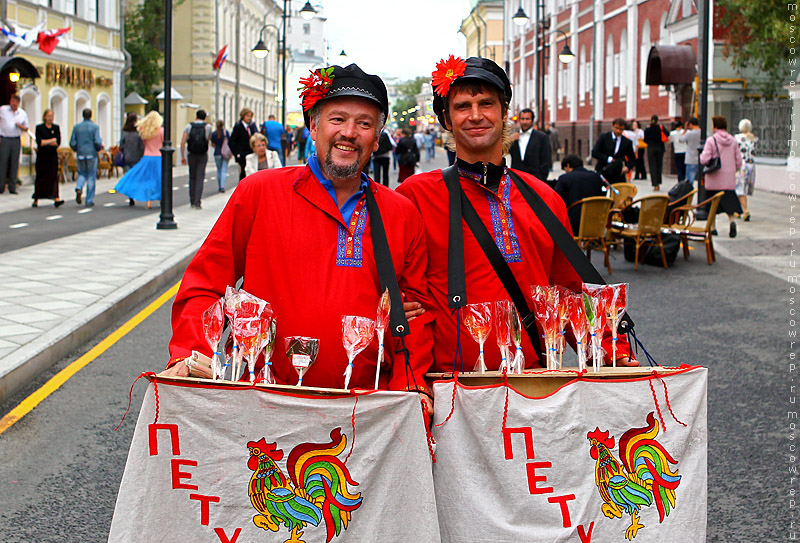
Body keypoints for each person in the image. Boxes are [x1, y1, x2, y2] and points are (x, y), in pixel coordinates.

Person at [163, 63, 435, 408]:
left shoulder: (401, 213)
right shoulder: (259, 192)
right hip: (261, 399)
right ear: (314, 126)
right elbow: (204, 284)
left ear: (377, 138)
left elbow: (415, 316)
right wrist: (190, 355)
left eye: (364, 124)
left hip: (366, 407)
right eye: (337, 119)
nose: (349, 132)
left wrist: (410, 386)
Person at [396, 56, 633, 372]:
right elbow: (399, 295)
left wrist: (613, 354)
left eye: (486, 103)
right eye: (463, 106)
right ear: (446, 120)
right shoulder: (415, 195)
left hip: (533, 381)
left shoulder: (544, 197)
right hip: (450, 383)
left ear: (504, 112)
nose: (476, 115)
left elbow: (568, 290)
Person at [699, 116, 743, 238]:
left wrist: (701, 158)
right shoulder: (733, 140)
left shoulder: (711, 140)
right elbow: (738, 160)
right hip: (728, 178)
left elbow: (705, 158)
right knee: (729, 201)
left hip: (714, 178)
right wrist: (734, 169)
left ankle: (713, 228)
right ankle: (732, 221)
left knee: (712, 204)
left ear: (715, 126)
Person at [113, 111, 163, 209]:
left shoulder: (145, 131)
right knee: (159, 180)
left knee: (146, 179)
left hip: (147, 156)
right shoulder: (161, 131)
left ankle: (147, 200)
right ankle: (161, 198)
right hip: (158, 157)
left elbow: (143, 145)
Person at [553, 154, 607, 234]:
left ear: (568, 165)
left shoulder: (565, 178)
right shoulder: (596, 177)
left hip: (573, 224)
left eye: (565, 169)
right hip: (595, 222)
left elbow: (556, 199)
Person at [69, 108, 102, 207]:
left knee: (82, 173)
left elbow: (72, 142)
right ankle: (89, 200)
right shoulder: (95, 127)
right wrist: (98, 148)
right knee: (91, 176)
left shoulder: (77, 127)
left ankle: (79, 187)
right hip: (91, 153)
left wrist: (77, 148)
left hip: (80, 153)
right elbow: (97, 141)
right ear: (91, 116)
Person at [508, 108, 551, 181]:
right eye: (522, 119)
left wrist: (541, 178)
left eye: (527, 119)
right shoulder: (513, 137)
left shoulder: (542, 137)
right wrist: (509, 140)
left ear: (532, 120)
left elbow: (546, 159)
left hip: (535, 180)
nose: (525, 122)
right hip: (516, 180)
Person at [32, 109, 64, 208]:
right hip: (42, 157)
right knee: (41, 176)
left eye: (52, 116)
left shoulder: (56, 127)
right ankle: (36, 199)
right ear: (45, 117)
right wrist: (51, 140)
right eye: (49, 116)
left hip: (52, 156)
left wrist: (47, 141)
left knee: (53, 176)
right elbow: (40, 142)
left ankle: (56, 198)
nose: (51, 118)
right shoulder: (39, 128)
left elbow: (57, 142)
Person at [181, 109, 212, 209]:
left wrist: (182, 156)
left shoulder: (189, 126)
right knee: (200, 177)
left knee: (192, 177)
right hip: (202, 154)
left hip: (191, 154)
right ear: (205, 117)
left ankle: (192, 200)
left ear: (196, 116)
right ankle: (198, 201)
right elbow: (209, 139)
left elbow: (183, 141)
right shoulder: (208, 127)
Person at [591, 118, 636, 184]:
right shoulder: (604, 137)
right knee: (601, 192)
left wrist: (627, 167)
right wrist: (607, 159)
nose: (618, 131)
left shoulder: (627, 142)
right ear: (612, 127)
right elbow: (594, 152)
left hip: (618, 173)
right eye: (616, 128)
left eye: (621, 129)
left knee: (619, 192)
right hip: (603, 170)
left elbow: (632, 159)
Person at [0, 94, 29, 194]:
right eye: (13, 102)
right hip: (5, 138)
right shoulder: (3, 110)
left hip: (16, 139)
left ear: (18, 103)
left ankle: (13, 187)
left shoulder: (22, 113)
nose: (14, 104)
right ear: (10, 101)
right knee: (3, 162)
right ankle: (1, 186)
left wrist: (20, 126)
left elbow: (26, 128)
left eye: (16, 102)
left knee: (14, 163)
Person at [734, 118, 757, 222]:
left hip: (741, 166)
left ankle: (745, 210)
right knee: (743, 188)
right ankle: (737, 210)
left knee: (739, 188)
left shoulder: (737, 138)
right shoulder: (753, 139)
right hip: (751, 165)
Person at [228, 108, 258, 181]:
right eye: (247, 116)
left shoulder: (252, 126)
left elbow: (256, 136)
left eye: (250, 116)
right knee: (244, 173)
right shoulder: (238, 126)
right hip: (242, 154)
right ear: (243, 116)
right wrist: (237, 153)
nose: (249, 118)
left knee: (252, 172)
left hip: (251, 152)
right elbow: (231, 141)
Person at [643, 114, 669, 190]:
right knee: (659, 165)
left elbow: (645, 139)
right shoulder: (660, 127)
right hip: (660, 148)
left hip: (651, 148)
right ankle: (658, 182)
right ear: (657, 121)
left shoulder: (647, 129)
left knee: (652, 166)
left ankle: (655, 184)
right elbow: (667, 134)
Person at [119, 112, 144, 179]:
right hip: (137, 158)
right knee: (136, 177)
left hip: (127, 158)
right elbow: (142, 147)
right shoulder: (138, 133)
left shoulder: (124, 132)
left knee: (128, 177)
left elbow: (121, 146)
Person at [209, 120, 231, 193]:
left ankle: (219, 186)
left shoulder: (214, 133)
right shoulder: (226, 133)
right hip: (225, 153)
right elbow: (229, 142)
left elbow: (212, 144)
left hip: (217, 153)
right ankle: (222, 186)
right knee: (224, 170)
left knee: (219, 170)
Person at [679, 117, 702, 183]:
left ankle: (690, 193)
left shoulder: (689, 134)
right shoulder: (704, 133)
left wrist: (685, 129)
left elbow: (680, 139)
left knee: (689, 181)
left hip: (690, 159)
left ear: (691, 124)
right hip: (701, 159)